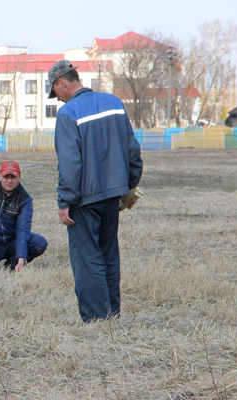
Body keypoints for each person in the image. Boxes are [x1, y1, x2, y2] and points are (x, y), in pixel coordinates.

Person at [48, 60, 143, 323]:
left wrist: (65, 200)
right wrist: (129, 189)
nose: (57, 98)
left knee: (88, 260)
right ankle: (112, 314)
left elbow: (70, 164)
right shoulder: (114, 102)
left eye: (55, 91)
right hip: (112, 197)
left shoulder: (68, 114)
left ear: (62, 83)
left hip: (83, 200)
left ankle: (97, 321)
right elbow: (132, 151)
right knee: (109, 255)